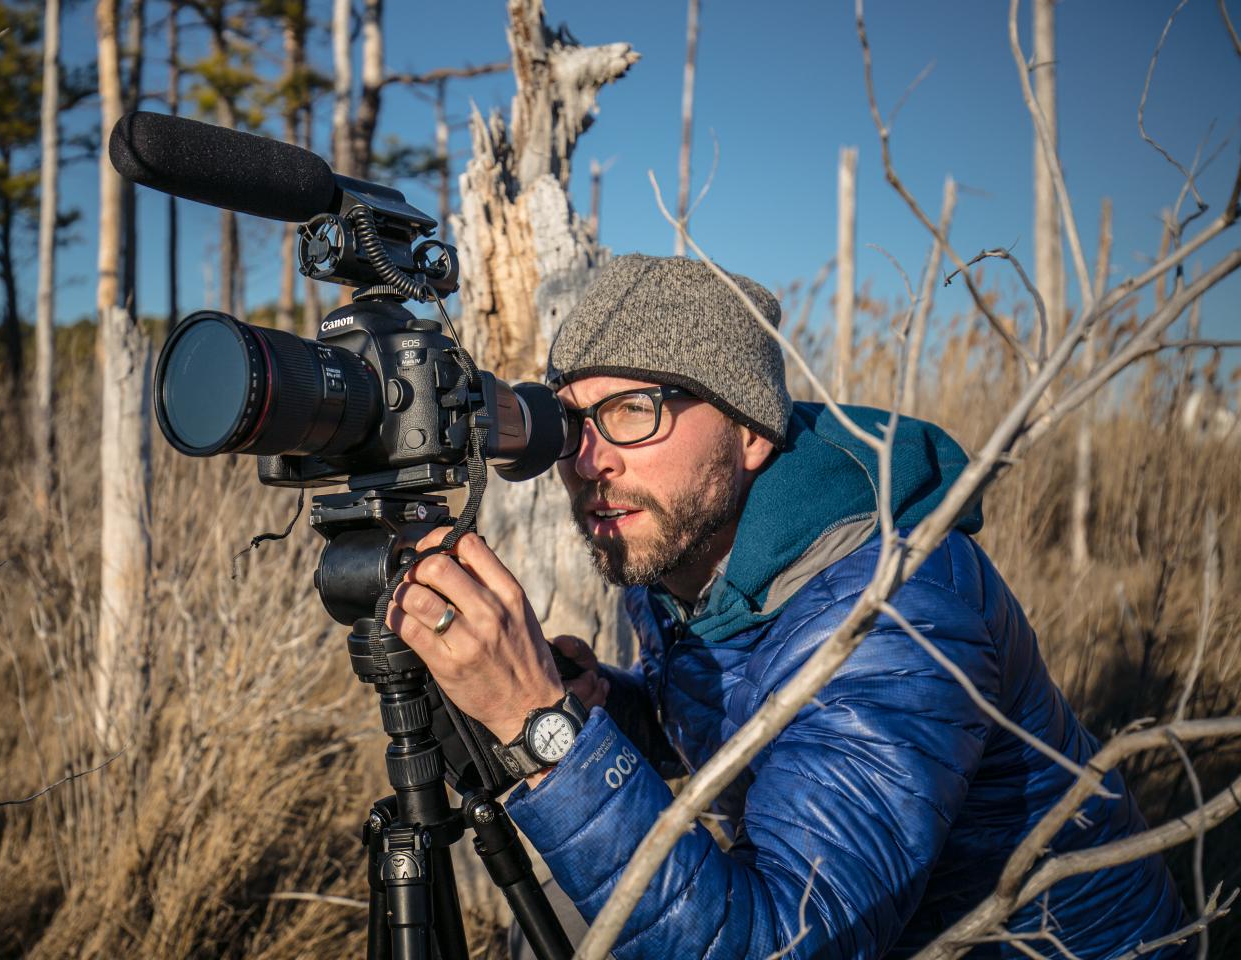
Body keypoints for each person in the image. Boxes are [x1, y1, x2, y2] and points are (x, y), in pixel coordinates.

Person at [384, 254, 1190, 959]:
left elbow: (787, 944)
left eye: (635, 411)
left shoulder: (898, 612)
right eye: (571, 422)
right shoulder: (687, 550)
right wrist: (603, 708)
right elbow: (745, 712)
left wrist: (540, 726)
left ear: (750, 434)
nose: (589, 460)